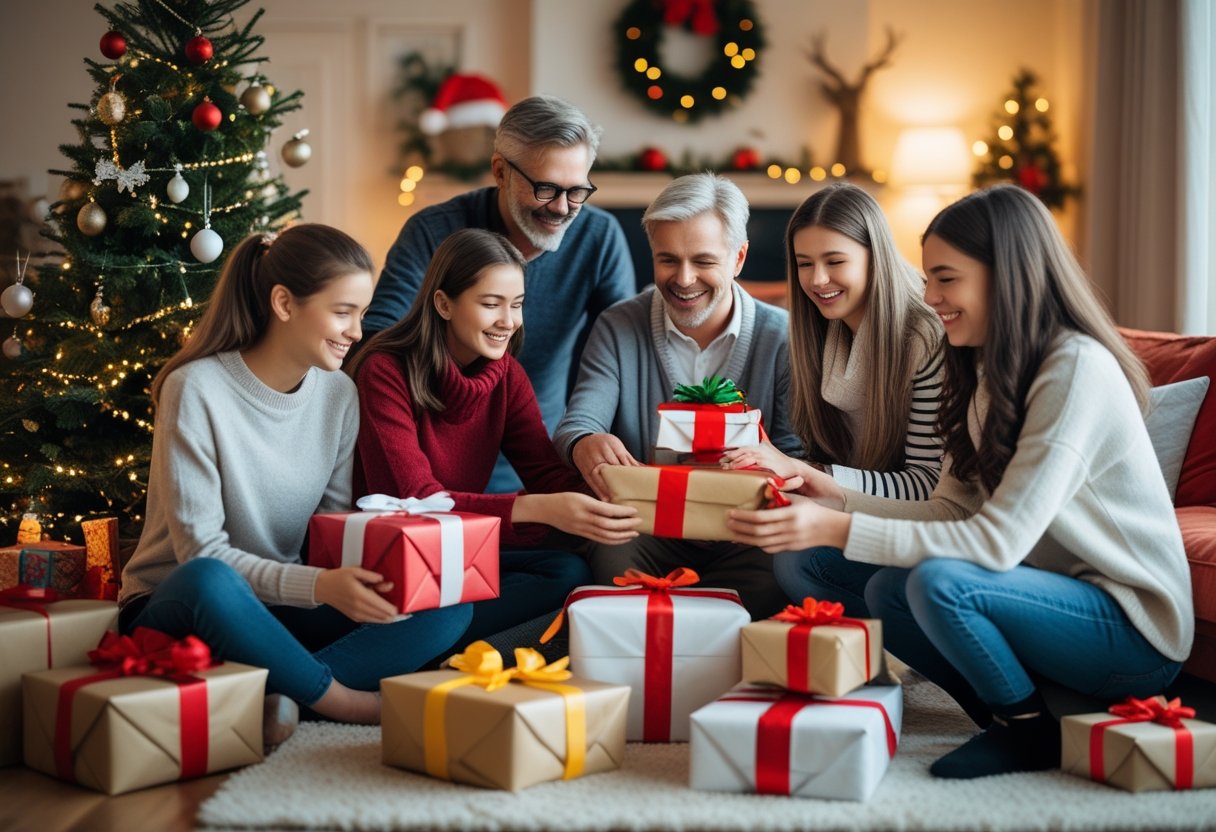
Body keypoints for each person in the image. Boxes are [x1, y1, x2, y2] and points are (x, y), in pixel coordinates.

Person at [727, 184, 1193, 779]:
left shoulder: (1073, 369)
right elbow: (950, 510)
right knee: (882, 586)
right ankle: (1015, 712)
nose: (930, 297)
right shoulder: (981, 367)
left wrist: (838, 524)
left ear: (1006, 275)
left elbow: (996, 544)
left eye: (946, 279)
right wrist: (832, 495)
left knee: (939, 582)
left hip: (1131, 630)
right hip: (1043, 599)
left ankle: (1027, 733)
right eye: (928, 279)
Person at [120, 225, 473, 736]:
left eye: (361, 313)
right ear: (284, 303)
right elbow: (201, 555)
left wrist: (369, 578)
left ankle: (284, 694)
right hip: (178, 605)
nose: (357, 332)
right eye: (342, 312)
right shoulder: (195, 389)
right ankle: (346, 704)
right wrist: (321, 585)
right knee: (209, 580)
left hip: (280, 604)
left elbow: (328, 536)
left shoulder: (338, 395)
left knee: (445, 602)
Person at [349, 228, 639, 650]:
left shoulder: (506, 375)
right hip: (392, 554)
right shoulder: (385, 370)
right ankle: (418, 650)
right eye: (491, 304)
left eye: (517, 305)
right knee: (468, 602)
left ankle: (428, 649)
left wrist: (625, 498)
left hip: (455, 547)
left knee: (568, 572)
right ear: (444, 303)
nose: (509, 321)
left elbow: (543, 471)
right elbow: (417, 500)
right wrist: (541, 509)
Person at [552, 172, 800, 618]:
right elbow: (579, 422)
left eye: (703, 260)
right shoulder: (618, 326)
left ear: (738, 257)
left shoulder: (781, 337)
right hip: (648, 529)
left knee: (785, 567)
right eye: (668, 260)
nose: (684, 279)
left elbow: (796, 452)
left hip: (746, 530)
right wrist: (585, 443)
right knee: (610, 551)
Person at [363, 95, 636, 492]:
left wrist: (586, 432)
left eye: (577, 191)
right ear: (500, 172)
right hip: (430, 459)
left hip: (540, 454)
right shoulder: (431, 231)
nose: (562, 208)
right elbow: (379, 340)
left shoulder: (600, 237)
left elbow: (618, 355)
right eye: (545, 188)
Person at [719, 183, 944, 606]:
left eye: (835, 261)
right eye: (805, 264)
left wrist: (806, 473)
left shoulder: (923, 337)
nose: (818, 280)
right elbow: (819, 455)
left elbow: (928, 487)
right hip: (856, 510)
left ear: (874, 257)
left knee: (798, 561)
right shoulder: (817, 331)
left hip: (917, 524)